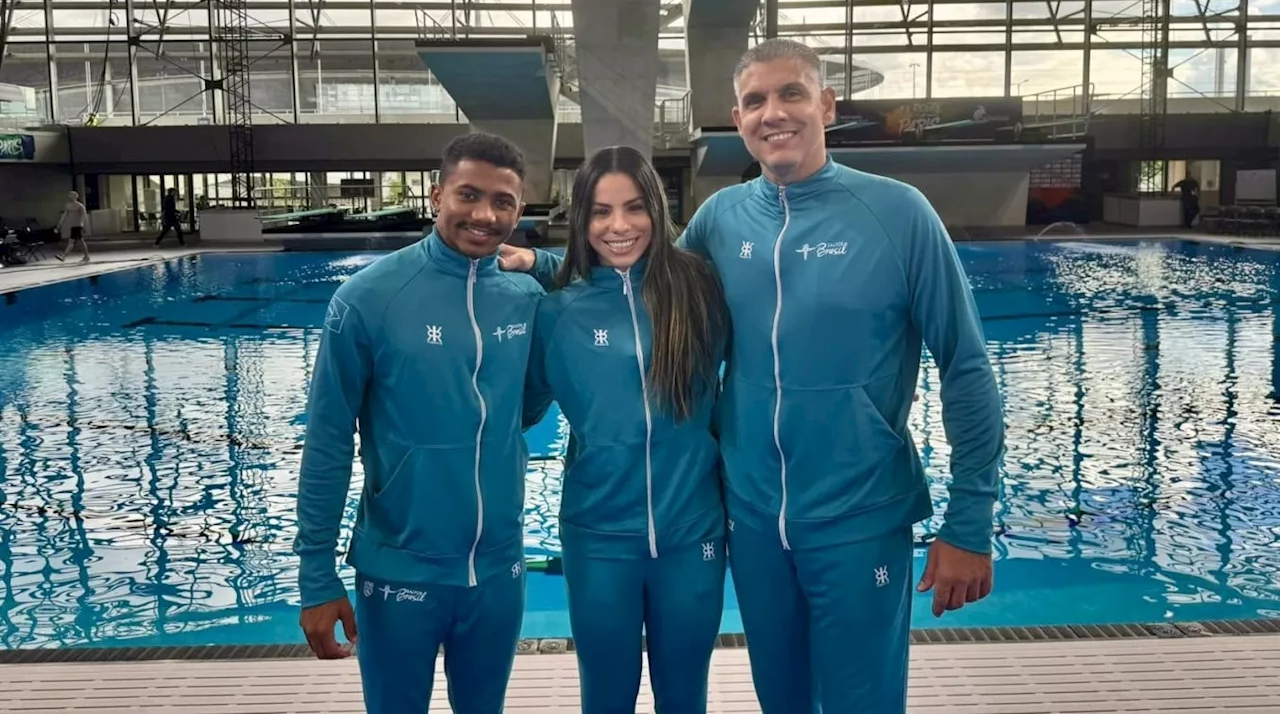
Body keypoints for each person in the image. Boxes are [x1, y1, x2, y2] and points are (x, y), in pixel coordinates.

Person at [503, 38, 1005, 714]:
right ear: (737, 120)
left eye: (791, 93)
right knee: (783, 700)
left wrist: (970, 522)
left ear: (826, 104)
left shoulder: (899, 215)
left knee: (864, 701)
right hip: (755, 521)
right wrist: (543, 271)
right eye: (755, 100)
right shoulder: (720, 220)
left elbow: (967, 367)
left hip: (860, 516)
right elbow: (638, 276)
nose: (775, 113)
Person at [294, 133, 547, 714]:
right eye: (469, 194)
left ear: (519, 209)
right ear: (437, 196)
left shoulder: (525, 300)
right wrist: (316, 575)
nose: (484, 215)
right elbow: (328, 441)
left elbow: (525, 406)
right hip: (399, 569)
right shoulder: (367, 299)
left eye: (503, 202)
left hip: (498, 569)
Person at [522, 146, 729, 714]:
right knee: (607, 696)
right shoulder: (558, 313)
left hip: (693, 536)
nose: (618, 226)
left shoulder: (702, 292)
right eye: (601, 212)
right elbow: (519, 411)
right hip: (598, 538)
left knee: (684, 696)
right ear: (582, 221)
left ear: (657, 213)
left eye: (635, 208)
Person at [55, 191, 90, 264]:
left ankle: (64, 256)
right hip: (73, 226)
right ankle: (86, 256)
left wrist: (84, 225)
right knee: (81, 241)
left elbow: (84, 216)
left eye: (71, 195)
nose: (70, 196)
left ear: (75, 197)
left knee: (71, 242)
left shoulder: (80, 206)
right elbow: (64, 215)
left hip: (78, 226)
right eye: (69, 195)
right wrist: (59, 224)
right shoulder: (68, 205)